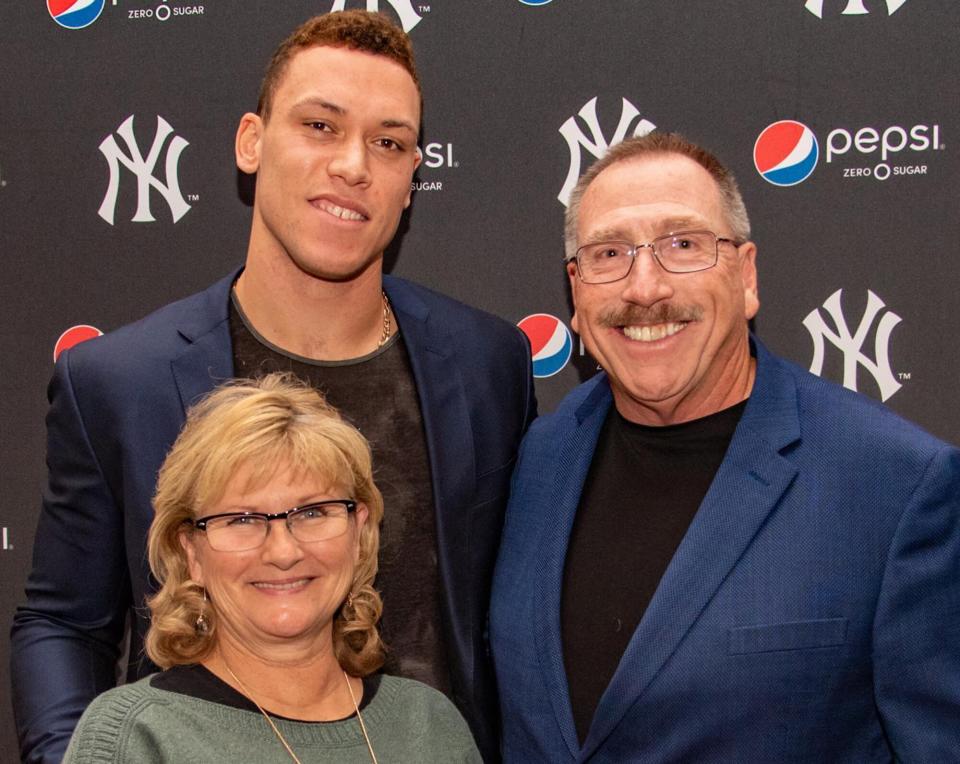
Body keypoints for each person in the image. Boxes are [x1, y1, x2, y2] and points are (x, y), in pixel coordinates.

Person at [12, 11, 534, 763]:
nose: (354, 165)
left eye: (388, 142)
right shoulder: (119, 382)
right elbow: (62, 622)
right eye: (321, 126)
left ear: (412, 175)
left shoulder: (487, 364)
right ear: (251, 143)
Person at [490, 132, 960, 761]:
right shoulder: (537, 460)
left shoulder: (896, 487)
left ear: (746, 275)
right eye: (609, 253)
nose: (645, 287)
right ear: (576, 293)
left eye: (683, 244)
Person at [62, 374, 482, 763]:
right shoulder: (134, 737)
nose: (283, 552)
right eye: (242, 519)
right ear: (191, 552)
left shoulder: (430, 726)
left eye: (314, 513)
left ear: (359, 532)